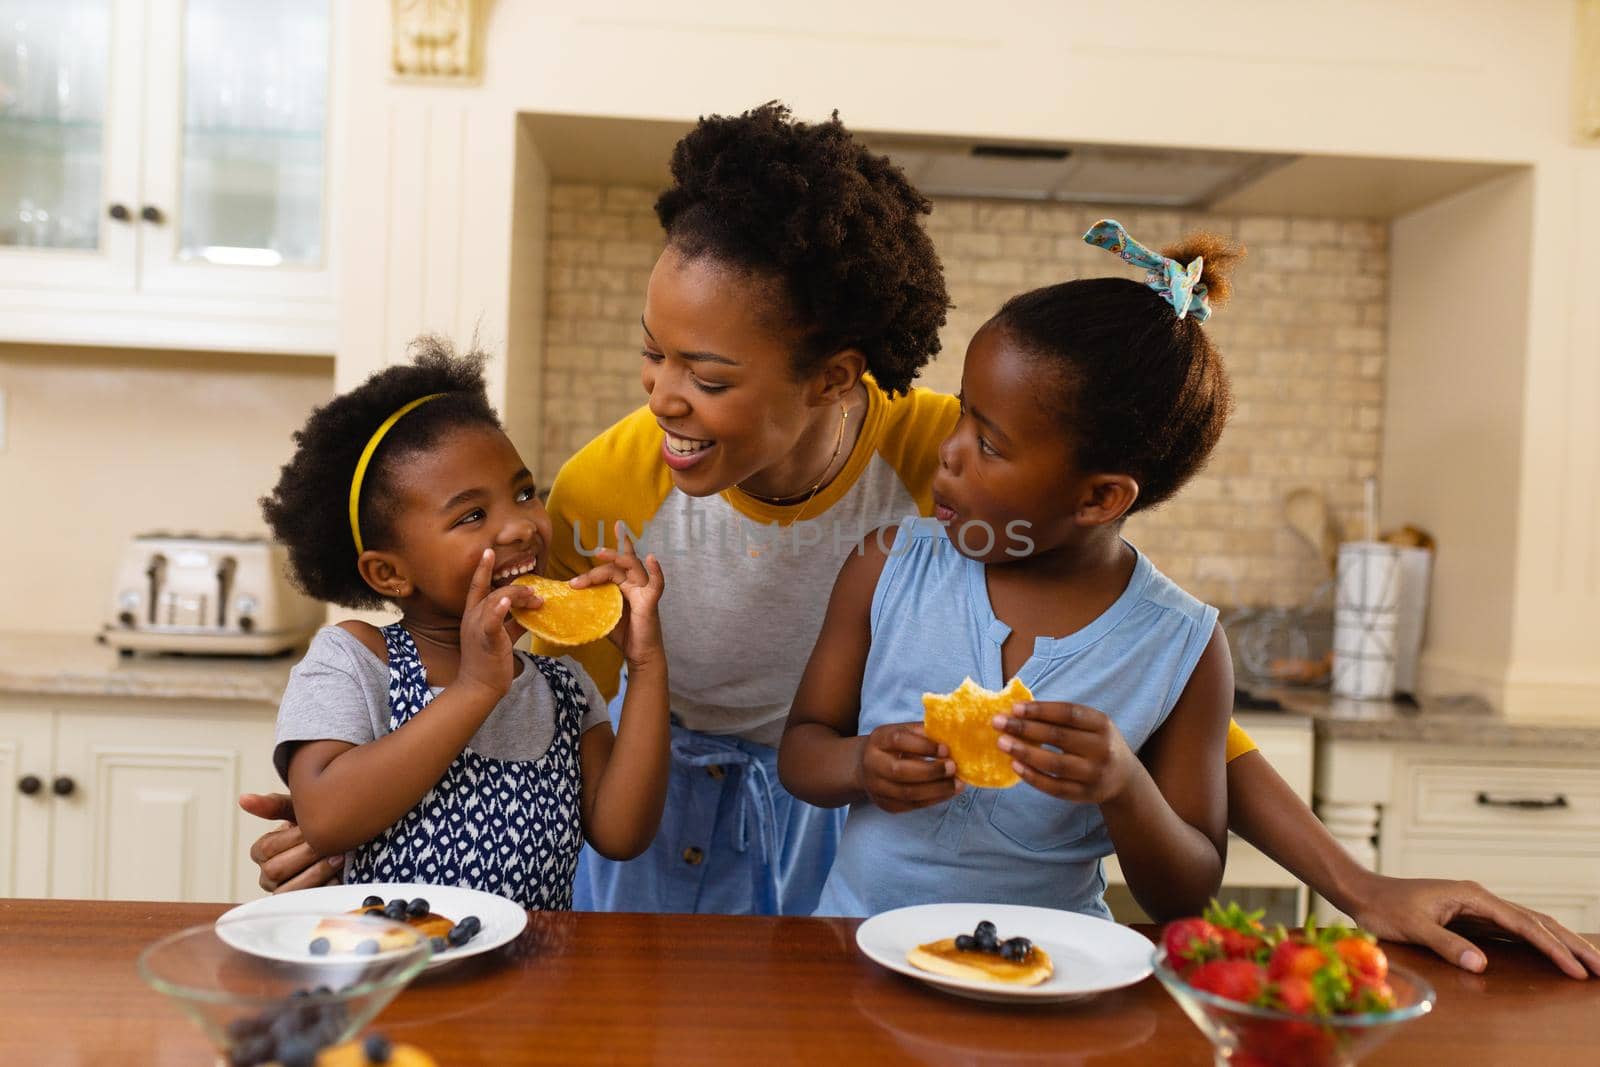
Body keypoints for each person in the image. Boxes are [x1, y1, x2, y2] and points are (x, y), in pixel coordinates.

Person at [242, 104, 1600, 977]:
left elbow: (1159, 684)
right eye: (653, 355)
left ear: (837, 376)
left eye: (708, 375)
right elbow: (470, 638)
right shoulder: (616, 479)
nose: (663, 400)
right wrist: (350, 807)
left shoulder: (947, 464)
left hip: (834, 834)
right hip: (650, 820)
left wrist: (1357, 884)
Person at [780, 221, 1237, 921]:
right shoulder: (887, 567)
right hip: (855, 959)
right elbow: (802, 750)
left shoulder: (1184, 646)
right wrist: (861, 763)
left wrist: (1125, 788)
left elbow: (1188, 892)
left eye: (988, 444)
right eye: (963, 415)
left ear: (1099, 497)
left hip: (1053, 979)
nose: (949, 452)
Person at [259, 339, 669, 909]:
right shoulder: (355, 659)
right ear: (389, 573)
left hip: (534, 989)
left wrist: (645, 665)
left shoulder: (564, 689)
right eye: (472, 515)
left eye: (524, 492)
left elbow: (622, 835)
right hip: (391, 980)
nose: (522, 526)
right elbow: (326, 817)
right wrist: (477, 687)